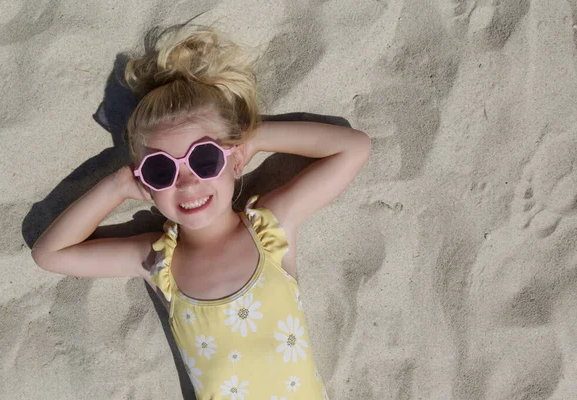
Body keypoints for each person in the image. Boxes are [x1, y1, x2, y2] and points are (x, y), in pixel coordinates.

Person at [31, 24, 371, 400]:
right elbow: (50, 255)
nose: (187, 183)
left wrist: (254, 140)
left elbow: (353, 149)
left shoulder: (270, 229)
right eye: (162, 170)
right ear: (146, 181)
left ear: (234, 159)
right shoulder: (157, 261)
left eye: (205, 158)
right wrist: (117, 187)